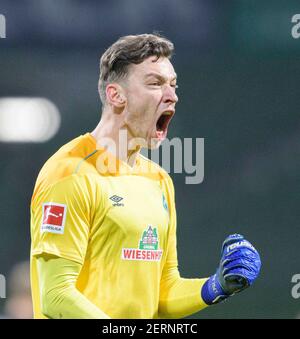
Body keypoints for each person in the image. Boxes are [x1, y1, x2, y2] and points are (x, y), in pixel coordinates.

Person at [30, 33, 261, 319]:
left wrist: (216, 286)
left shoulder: (159, 181)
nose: (172, 95)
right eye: (155, 83)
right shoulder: (70, 172)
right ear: (116, 95)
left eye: (173, 85)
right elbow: (55, 295)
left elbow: (164, 292)